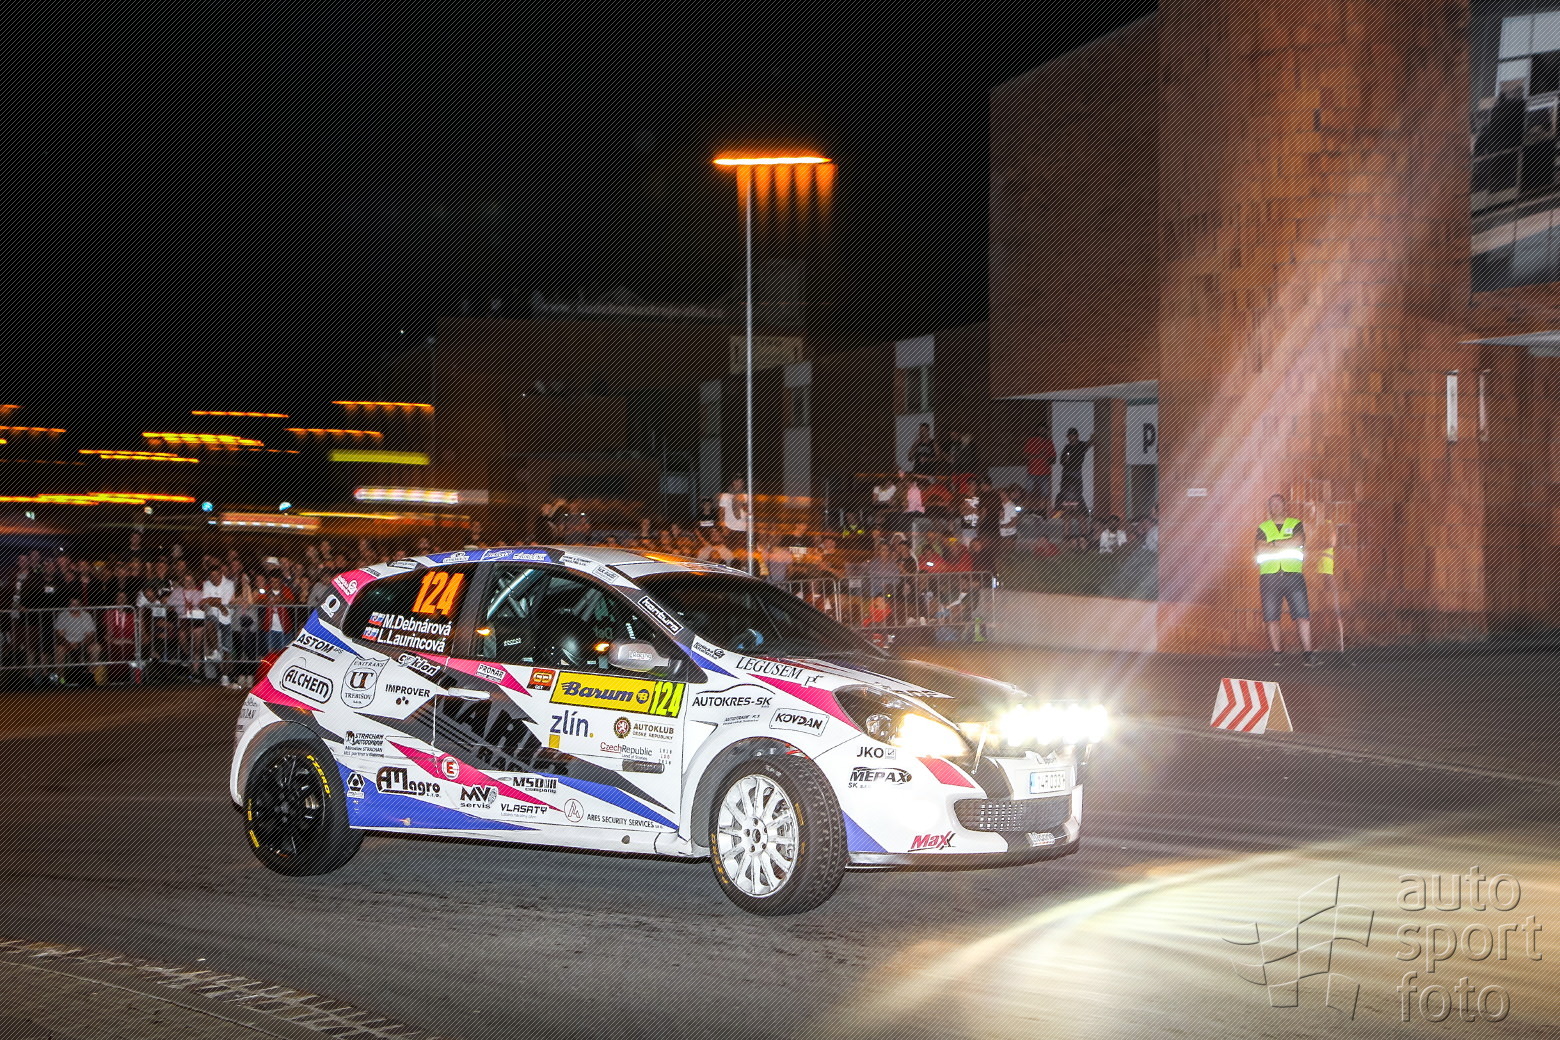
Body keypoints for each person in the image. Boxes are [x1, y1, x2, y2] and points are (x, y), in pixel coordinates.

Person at [1255, 493, 1316, 668]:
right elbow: (1260, 548)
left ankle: (1308, 654)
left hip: (1293, 576)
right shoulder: (1263, 527)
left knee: (1302, 615)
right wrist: (1285, 543)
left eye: (1279, 503)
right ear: (1269, 508)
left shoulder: (1295, 524)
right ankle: (1277, 655)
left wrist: (1272, 544)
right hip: (1269, 577)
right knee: (1271, 617)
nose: (1275, 506)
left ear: (1284, 505)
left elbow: (1298, 541)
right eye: (1272, 504)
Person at [1055, 428, 1094, 511]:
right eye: (1069, 436)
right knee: (1065, 491)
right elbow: (1062, 462)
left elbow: (1091, 443)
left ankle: (1082, 510)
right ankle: (1064, 510)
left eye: (1072, 436)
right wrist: (1067, 456)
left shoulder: (1081, 445)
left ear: (1077, 436)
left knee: (1077, 491)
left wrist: (1093, 437)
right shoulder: (1067, 447)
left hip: (1076, 472)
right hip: (1066, 472)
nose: (1070, 438)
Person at [1024, 425, 1057, 505]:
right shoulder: (1031, 441)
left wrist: (1046, 457)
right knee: (1028, 492)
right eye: (1040, 429)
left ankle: (1046, 509)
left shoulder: (1049, 442)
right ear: (1037, 430)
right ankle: (1028, 509)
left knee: (1046, 494)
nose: (1042, 431)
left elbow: (1054, 460)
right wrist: (1039, 456)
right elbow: (1026, 456)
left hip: (1045, 472)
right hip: (1032, 471)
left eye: (1044, 430)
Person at [718, 476, 749, 549]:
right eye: (736, 481)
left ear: (743, 483)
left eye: (740, 481)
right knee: (732, 548)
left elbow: (750, 512)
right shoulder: (726, 496)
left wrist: (742, 503)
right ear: (732, 482)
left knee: (745, 549)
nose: (738, 483)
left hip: (744, 529)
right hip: (730, 528)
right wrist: (723, 527)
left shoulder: (747, 496)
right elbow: (721, 512)